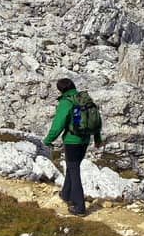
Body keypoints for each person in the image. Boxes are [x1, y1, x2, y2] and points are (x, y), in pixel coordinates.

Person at [41, 75, 101, 216]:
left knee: (74, 171)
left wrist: (48, 140)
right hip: (85, 141)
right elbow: (96, 120)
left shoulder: (66, 102)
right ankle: (66, 194)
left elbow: (58, 124)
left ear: (61, 91)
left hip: (72, 141)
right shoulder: (85, 99)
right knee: (72, 167)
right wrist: (97, 138)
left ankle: (79, 207)